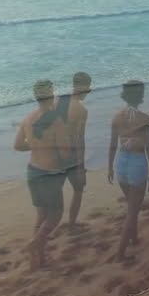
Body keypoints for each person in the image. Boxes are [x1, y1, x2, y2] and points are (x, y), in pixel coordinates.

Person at [14, 79, 71, 270]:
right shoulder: (57, 120)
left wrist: (37, 145)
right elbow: (64, 153)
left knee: (41, 217)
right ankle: (34, 245)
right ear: (51, 95)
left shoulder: (28, 118)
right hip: (50, 173)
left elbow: (18, 145)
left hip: (33, 171)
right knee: (56, 214)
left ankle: (37, 259)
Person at [107, 79, 149, 261]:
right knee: (133, 210)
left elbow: (112, 145)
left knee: (132, 205)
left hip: (121, 161)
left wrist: (109, 167)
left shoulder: (116, 117)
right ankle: (120, 253)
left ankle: (134, 237)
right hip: (137, 161)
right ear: (140, 96)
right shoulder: (144, 118)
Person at [64, 71, 92, 228]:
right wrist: (81, 165)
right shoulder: (81, 110)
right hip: (71, 157)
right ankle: (72, 225)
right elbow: (79, 140)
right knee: (78, 189)